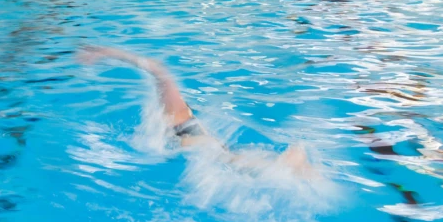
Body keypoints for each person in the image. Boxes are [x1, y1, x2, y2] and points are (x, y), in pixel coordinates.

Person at [77, 45, 313, 175]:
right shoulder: (180, 114)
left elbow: (158, 70)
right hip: (197, 139)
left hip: (193, 140)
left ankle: (288, 164)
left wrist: (108, 53)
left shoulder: (173, 110)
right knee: (234, 162)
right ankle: (296, 167)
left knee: (231, 162)